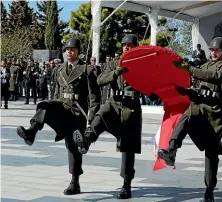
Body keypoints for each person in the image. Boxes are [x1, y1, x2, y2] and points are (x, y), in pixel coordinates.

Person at [16, 38, 101, 195]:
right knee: (44, 105)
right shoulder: (59, 68)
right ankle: (31, 131)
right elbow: (55, 92)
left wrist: (92, 120)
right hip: (62, 108)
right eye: (67, 49)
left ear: (78, 51)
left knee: (72, 146)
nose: (70, 51)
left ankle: (75, 182)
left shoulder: (87, 70)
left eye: (73, 49)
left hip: (78, 112)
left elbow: (95, 98)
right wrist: (52, 102)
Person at [157, 37, 222, 202]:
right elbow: (198, 90)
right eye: (212, 50)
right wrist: (184, 91)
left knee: (211, 154)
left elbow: (214, 77)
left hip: (214, 114)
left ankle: (209, 190)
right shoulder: (204, 65)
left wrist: (190, 69)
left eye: (217, 50)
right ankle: (171, 150)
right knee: (189, 112)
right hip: (200, 108)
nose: (214, 53)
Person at [73, 34, 149, 199]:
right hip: (115, 101)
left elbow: (149, 88)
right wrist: (115, 73)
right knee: (101, 116)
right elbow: (100, 80)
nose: (127, 48)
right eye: (124, 46)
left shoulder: (143, 65)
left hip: (132, 106)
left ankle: (126, 184)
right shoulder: (113, 63)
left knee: (128, 148)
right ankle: (87, 139)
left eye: (130, 46)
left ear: (136, 48)